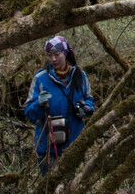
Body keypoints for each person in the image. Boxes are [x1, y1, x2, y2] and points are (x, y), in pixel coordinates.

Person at [24, 35, 95, 172]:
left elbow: (89, 100)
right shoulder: (40, 78)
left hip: (74, 144)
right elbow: (29, 112)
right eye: (49, 55)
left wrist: (87, 109)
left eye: (57, 55)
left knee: (71, 183)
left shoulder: (80, 76)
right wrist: (39, 104)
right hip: (48, 146)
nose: (53, 59)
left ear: (65, 53)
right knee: (49, 183)